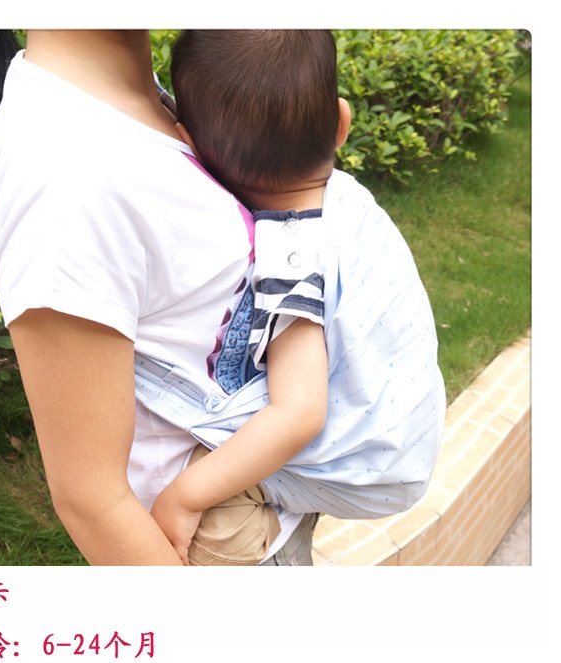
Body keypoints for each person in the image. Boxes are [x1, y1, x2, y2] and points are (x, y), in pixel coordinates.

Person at [0, 29, 314, 565]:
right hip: (218, 550)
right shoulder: (66, 179)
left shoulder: (126, 87)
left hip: (261, 513)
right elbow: (93, 501)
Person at [145, 30, 446, 565]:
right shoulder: (347, 200)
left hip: (363, 464)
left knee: (216, 518)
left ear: (190, 147)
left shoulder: (290, 256)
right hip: (409, 427)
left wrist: (184, 496)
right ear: (341, 123)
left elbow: (300, 411)